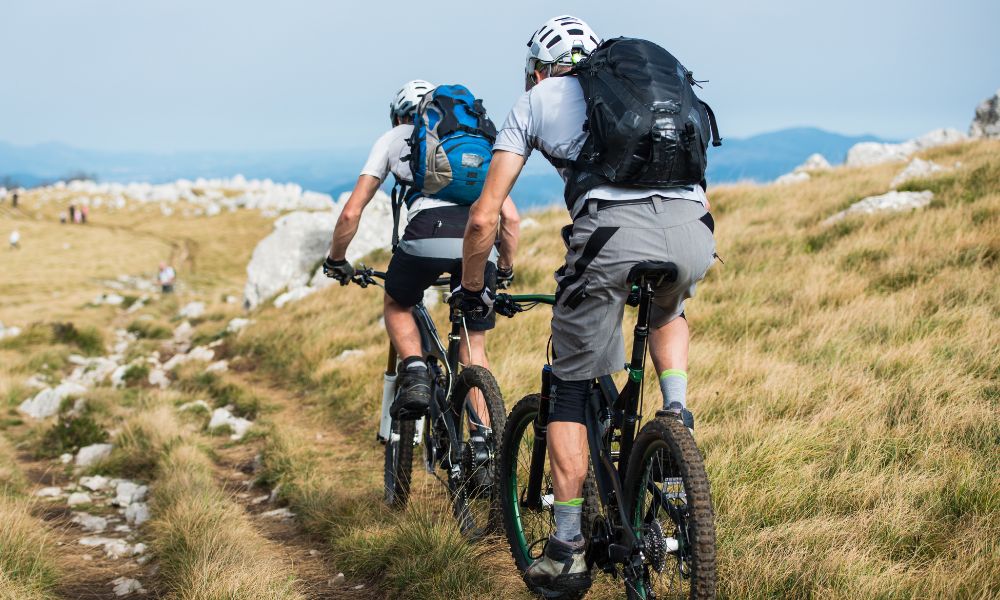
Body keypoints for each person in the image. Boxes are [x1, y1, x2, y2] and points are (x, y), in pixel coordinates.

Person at [453, 15, 717, 594]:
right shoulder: (647, 89)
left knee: (568, 387)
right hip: (695, 231)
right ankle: (676, 413)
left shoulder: (538, 100)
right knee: (668, 309)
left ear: (539, 68)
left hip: (612, 237)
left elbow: (484, 216)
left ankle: (568, 547)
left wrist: (475, 289)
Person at [322, 80, 521, 420]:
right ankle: (486, 443)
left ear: (399, 117)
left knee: (397, 302)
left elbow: (351, 212)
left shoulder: (394, 138)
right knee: (474, 348)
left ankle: (414, 371)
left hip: (425, 234)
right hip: (479, 241)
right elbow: (511, 219)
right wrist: (503, 267)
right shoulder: (471, 143)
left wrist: (336, 259)